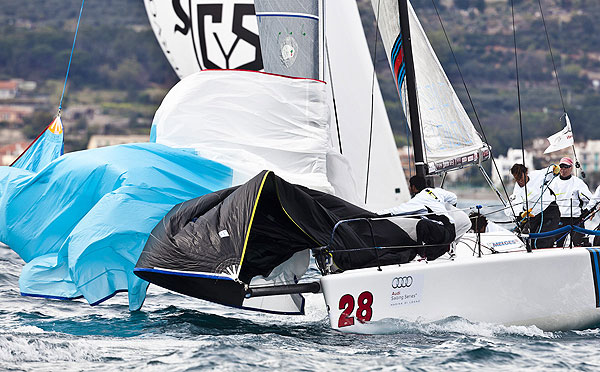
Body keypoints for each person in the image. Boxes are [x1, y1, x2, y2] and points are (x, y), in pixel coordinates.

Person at [379, 175, 467, 260]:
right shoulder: (435, 191)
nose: (409, 189)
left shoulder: (418, 199)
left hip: (442, 232)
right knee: (430, 256)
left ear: (413, 187)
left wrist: (376, 214)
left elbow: (396, 211)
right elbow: (453, 198)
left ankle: (420, 254)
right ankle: (447, 247)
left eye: (410, 186)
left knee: (421, 224)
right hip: (451, 230)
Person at [507, 163, 560, 248]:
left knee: (542, 239)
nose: (520, 181)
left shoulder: (537, 175)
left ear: (526, 173)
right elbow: (512, 207)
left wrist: (555, 168)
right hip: (533, 215)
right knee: (525, 238)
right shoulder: (517, 190)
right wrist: (521, 214)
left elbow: (549, 170)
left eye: (521, 177)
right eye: (517, 179)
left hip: (550, 210)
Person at [552, 157, 592, 246]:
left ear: (571, 168)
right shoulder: (553, 183)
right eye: (561, 166)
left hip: (576, 218)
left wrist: (585, 211)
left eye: (566, 166)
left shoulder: (578, 182)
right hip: (559, 219)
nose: (563, 169)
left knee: (579, 245)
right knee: (557, 245)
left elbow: (590, 199)